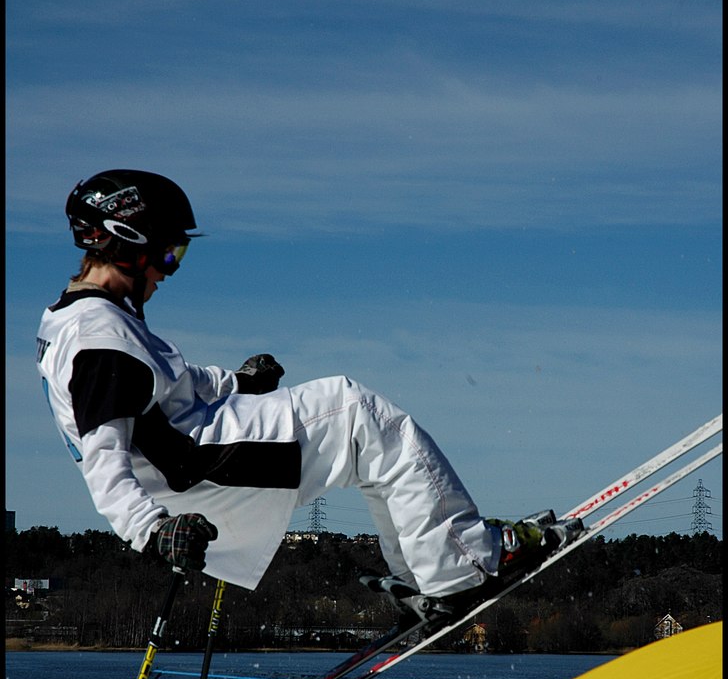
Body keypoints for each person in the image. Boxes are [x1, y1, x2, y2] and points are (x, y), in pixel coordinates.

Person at [36, 169, 577, 629]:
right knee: (358, 415)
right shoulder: (100, 341)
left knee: (366, 443)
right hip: (198, 468)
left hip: (194, 453)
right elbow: (103, 458)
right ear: (129, 241)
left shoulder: (73, 319)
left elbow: (169, 380)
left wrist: (237, 382)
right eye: (170, 253)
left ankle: (429, 570)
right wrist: (153, 532)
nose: (168, 270)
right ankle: (460, 567)